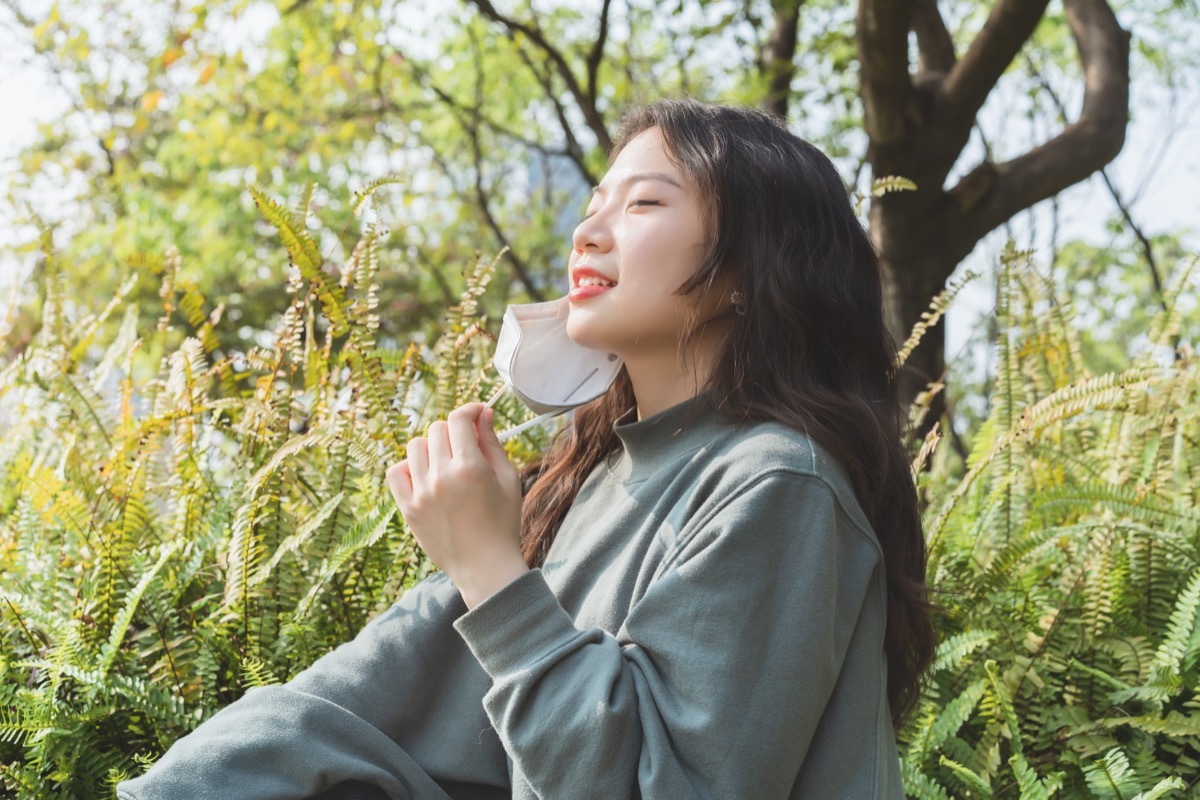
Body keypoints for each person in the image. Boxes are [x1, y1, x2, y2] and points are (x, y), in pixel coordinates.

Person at [117, 97, 936, 800]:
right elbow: (339, 705)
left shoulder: (777, 483)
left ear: (752, 269)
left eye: (645, 204)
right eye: (595, 201)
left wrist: (489, 570)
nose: (589, 230)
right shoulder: (581, 478)